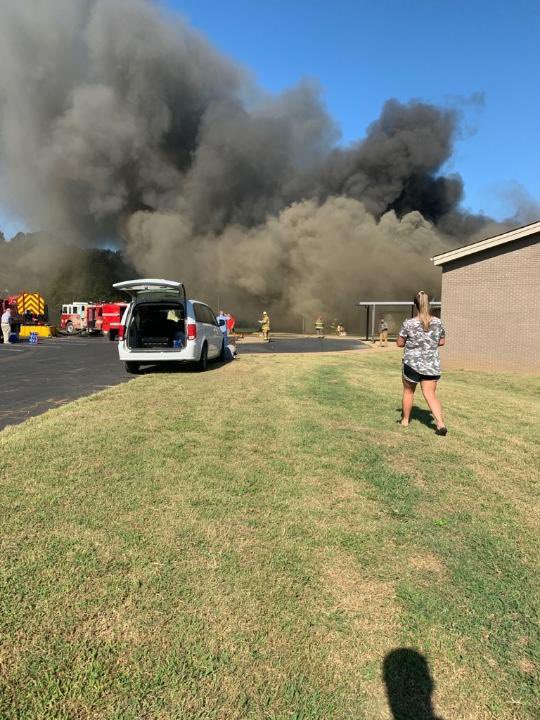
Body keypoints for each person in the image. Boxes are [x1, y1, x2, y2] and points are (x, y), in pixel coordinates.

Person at [396, 291, 447, 435]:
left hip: (412, 365)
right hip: (431, 365)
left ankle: (405, 421)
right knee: (430, 394)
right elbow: (442, 341)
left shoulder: (409, 323)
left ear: (415, 305)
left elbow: (400, 343)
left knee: (408, 391)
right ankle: (440, 424)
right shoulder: (438, 322)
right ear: (428, 303)